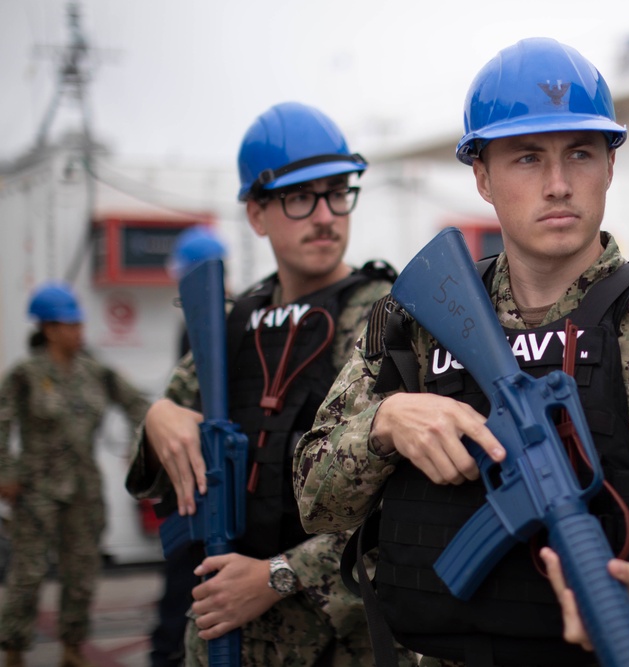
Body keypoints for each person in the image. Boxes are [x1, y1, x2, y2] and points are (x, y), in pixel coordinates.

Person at [294, 38, 629, 667]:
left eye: (580, 153)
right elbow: (315, 502)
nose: (559, 184)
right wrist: (383, 426)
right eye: (526, 159)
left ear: (610, 167)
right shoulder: (416, 323)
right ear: (482, 176)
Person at [124, 102, 415, 667]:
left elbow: (406, 507)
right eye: (301, 197)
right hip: (222, 627)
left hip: (341, 637)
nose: (326, 215)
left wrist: (277, 576)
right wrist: (158, 418)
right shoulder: (235, 319)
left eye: (338, 192)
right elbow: (151, 467)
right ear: (257, 213)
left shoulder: (387, 318)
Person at [0, 283, 150, 667]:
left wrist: (140, 450)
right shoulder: (26, 374)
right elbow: (1, 422)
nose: (79, 331)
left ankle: (72, 647)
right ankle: (13, 648)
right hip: (37, 488)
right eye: (70, 325)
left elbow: (139, 406)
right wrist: (6, 471)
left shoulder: (94, 371)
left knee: (81, 573)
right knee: (28, 574)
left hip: (84, 487)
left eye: (80, 323)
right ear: (49, 328)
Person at [146, 226, 228, 667]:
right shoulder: (202, 320)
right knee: (183, 578)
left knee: (185, 581)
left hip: (205, 472)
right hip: (194, 467)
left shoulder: (215, 320)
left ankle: (166, 653)